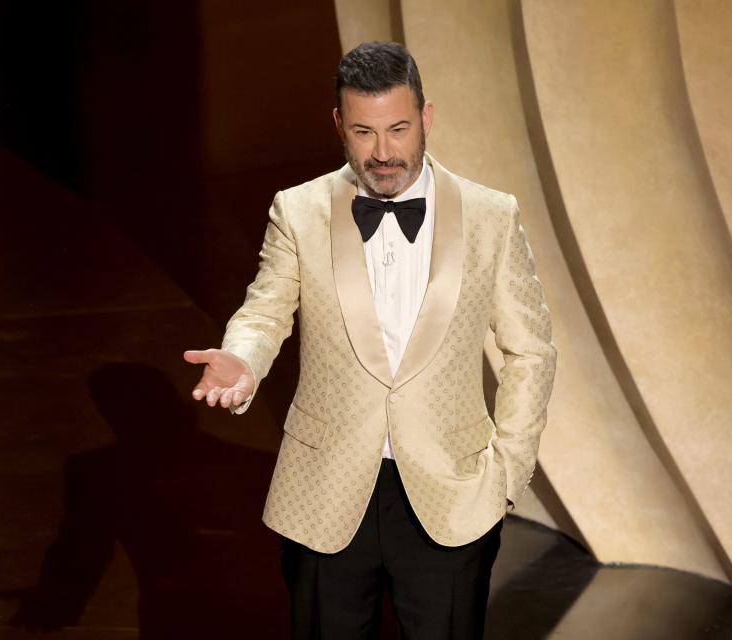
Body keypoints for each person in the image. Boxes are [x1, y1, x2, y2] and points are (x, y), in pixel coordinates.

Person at [184, 41, 556, 639]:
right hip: (326, 492)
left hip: (451, 495)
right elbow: (265, 312)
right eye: (364, 132)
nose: (383, 152)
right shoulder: (298, 210)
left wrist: (508, 472)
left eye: (398, 129)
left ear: (426, 118)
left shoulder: (492, 215)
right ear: (339, 125)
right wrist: (244, 359)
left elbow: (532, 350)